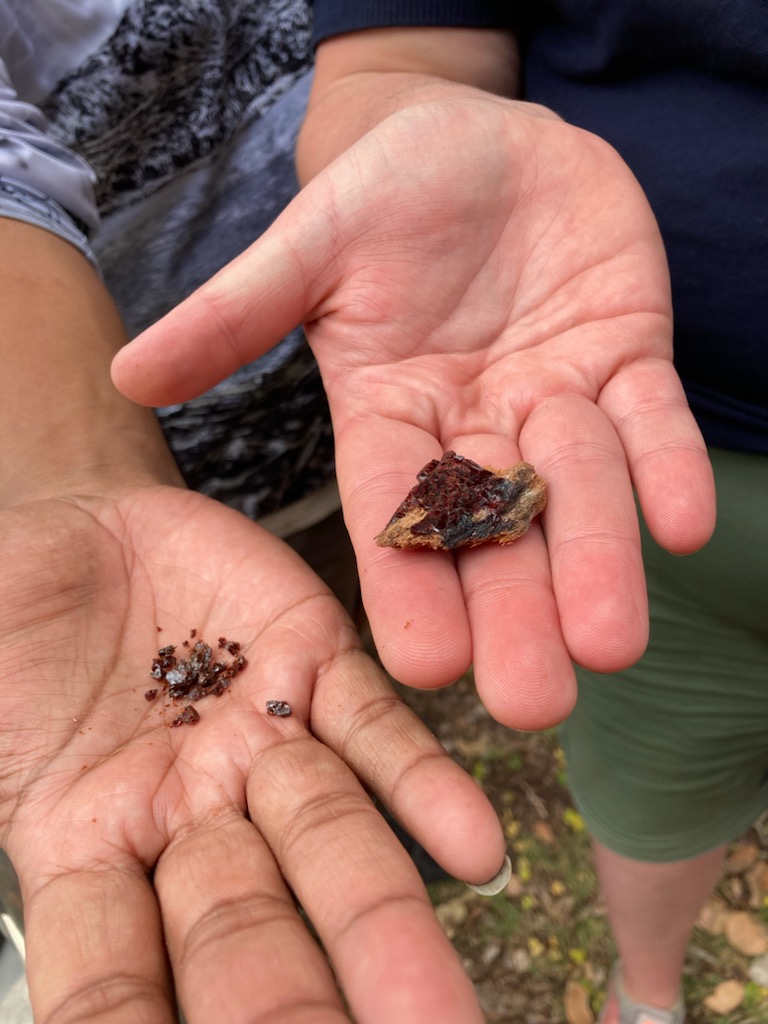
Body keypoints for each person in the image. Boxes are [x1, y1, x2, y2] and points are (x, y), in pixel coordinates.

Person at [113, 2, 768, 1023]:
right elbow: (408, 44)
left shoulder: (492, 495)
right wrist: (407, 104)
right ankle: (651, 992)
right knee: (652, 781)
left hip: (626, 444)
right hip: (654, 465)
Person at [0, 3, 509, 1022]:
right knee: (303, 647)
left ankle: (364, 800)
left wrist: (412, 81)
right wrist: (75, 475)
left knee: (343, 629)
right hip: (155, 439)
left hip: (377, 404)